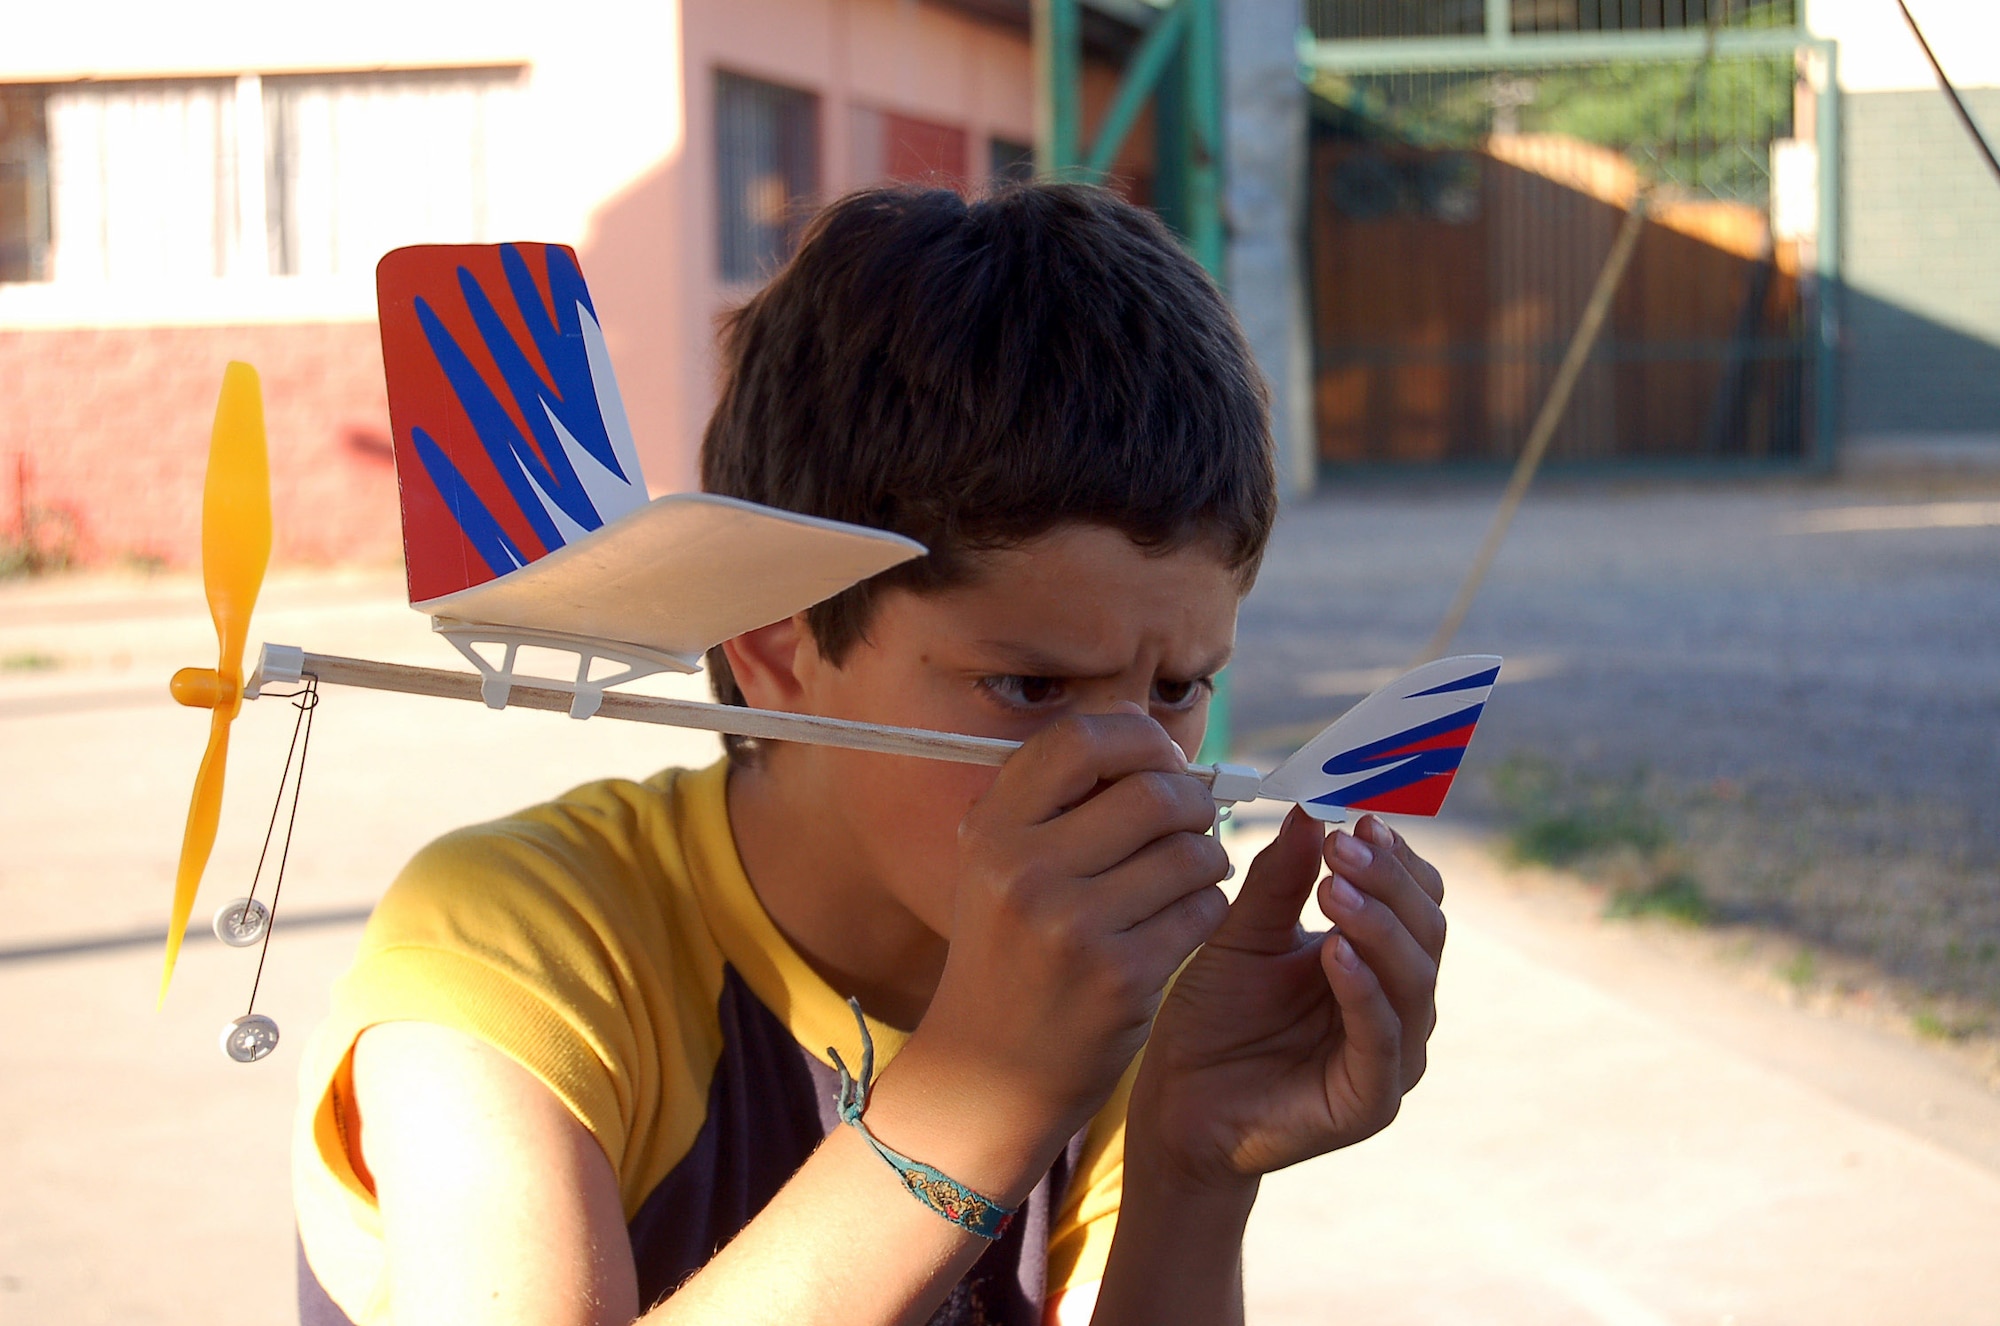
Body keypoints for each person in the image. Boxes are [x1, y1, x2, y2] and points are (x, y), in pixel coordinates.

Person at [293, 182, 1446, 1326]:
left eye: (1179, 688)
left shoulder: (1116, 984)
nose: (1134, 776)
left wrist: (1197, 1170)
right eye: (1029, 688)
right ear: (774, 645)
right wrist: (979, 1089)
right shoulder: (513, 944)